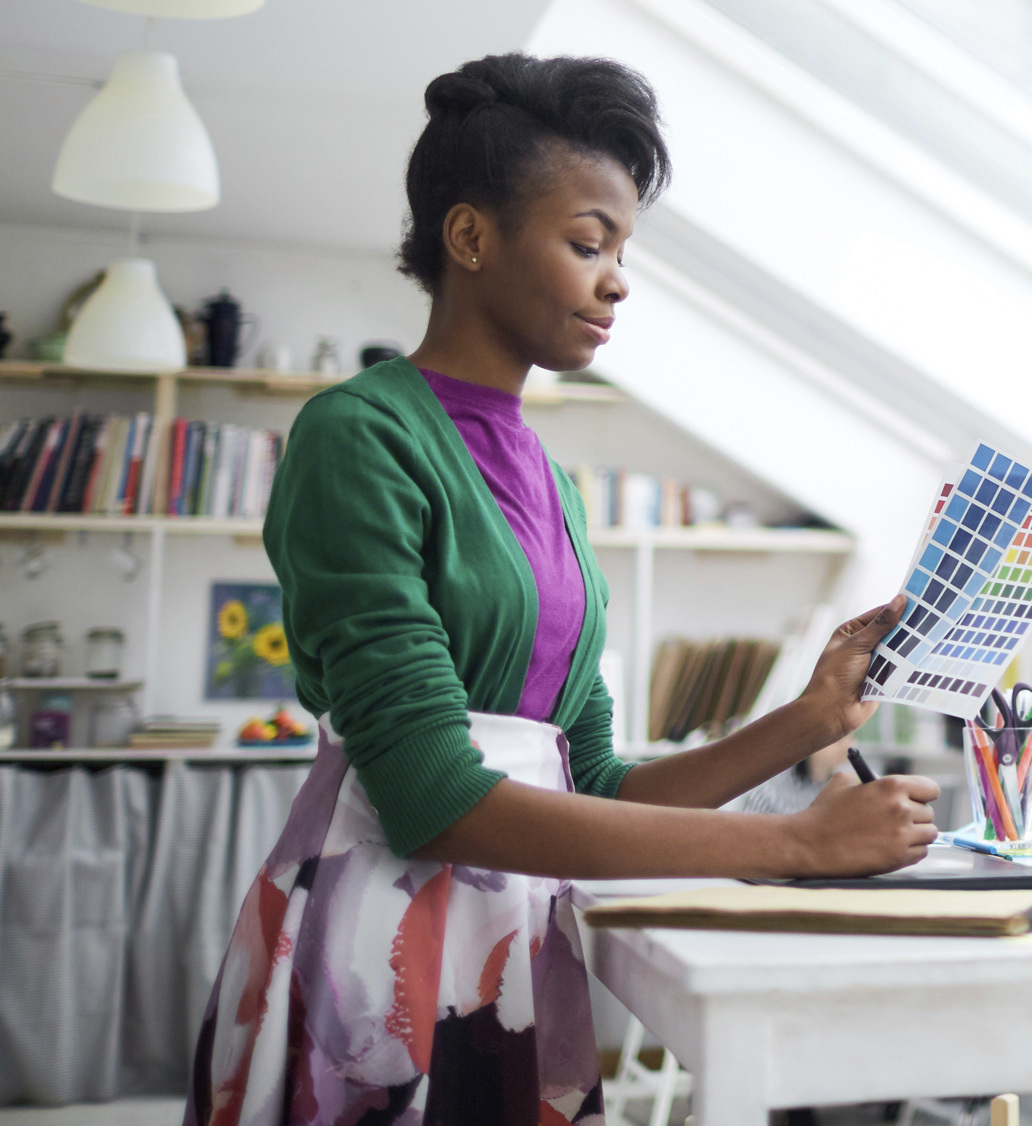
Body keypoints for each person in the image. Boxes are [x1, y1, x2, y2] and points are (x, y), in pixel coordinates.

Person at [185, 53, 938, 1125]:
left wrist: (806, 721)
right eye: (588, 243)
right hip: (380, 951)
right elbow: (435, 797)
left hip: (514, 939)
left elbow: (592, 782)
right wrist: (794, 845)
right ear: (471, 237)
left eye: (621, 250)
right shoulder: (359, 435)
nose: (618, 278)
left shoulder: (551, 482)